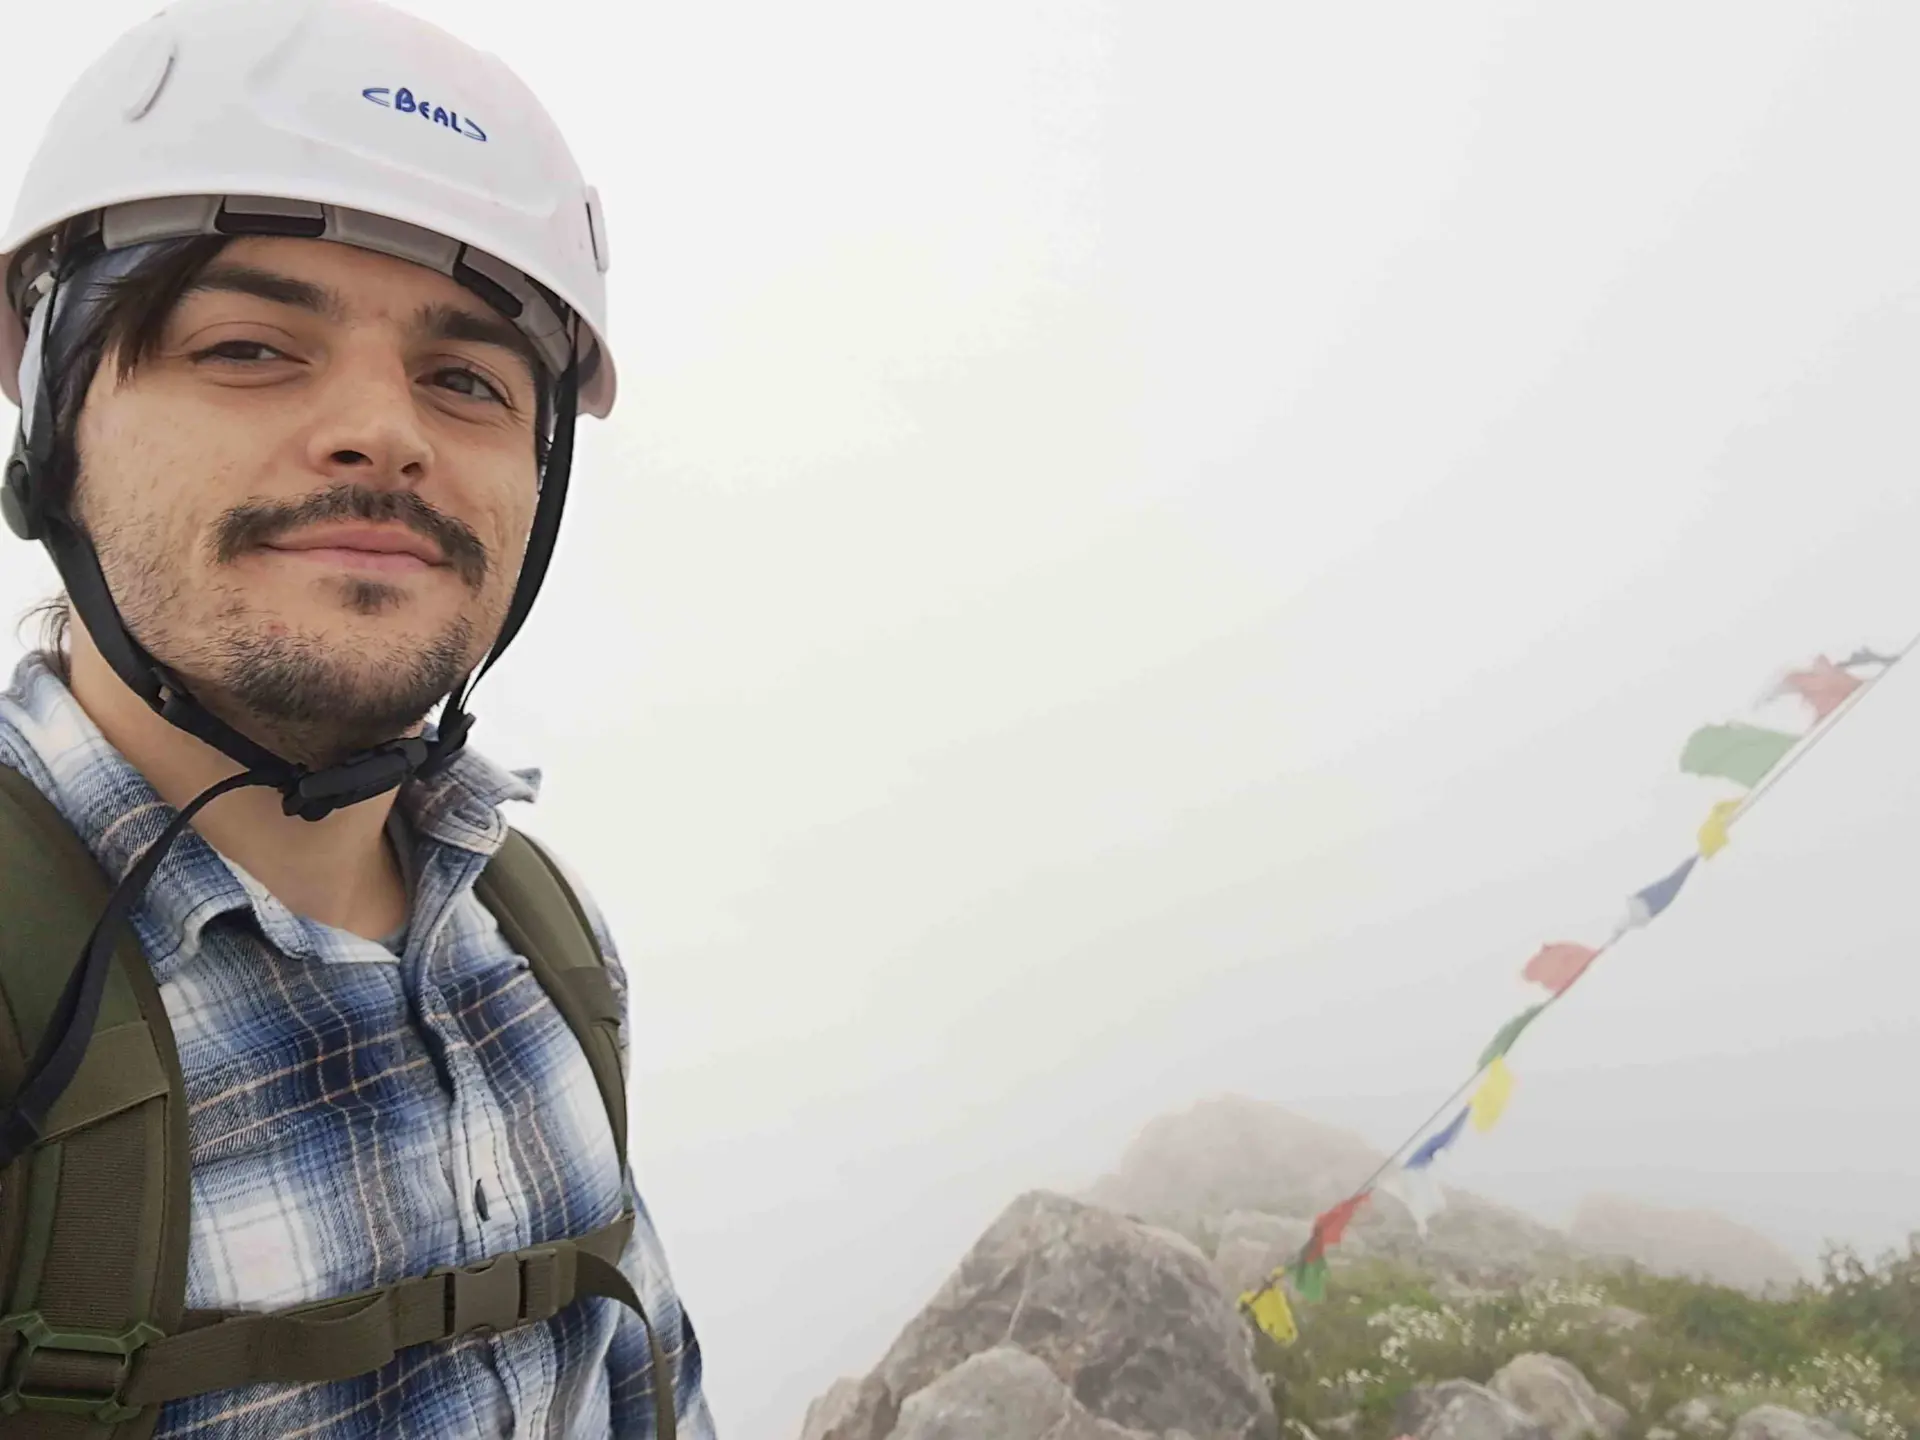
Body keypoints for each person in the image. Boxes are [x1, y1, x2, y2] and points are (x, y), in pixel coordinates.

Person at [0, 0, 714, 1435]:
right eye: (249, 347)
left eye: (465, 381)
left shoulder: (538, 939)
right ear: (55, 418)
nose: (385, 432)